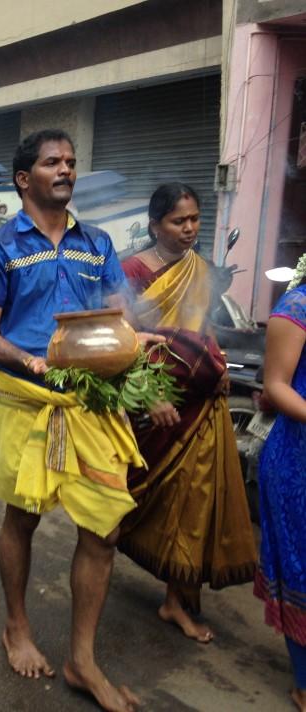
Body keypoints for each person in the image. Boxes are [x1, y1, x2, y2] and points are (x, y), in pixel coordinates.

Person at [0, 129, 150, 711]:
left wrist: (141, 344)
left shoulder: (96, 243)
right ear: (25, 179)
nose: (66, 170)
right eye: (53, 162)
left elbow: (121, 317)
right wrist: (26, 359)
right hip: (29, 399)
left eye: (71, 162)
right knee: (21, 518)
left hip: (91, 403)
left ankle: (82, 659)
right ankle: (16, 626)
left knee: (103, 527)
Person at [117, 183, 256, 643]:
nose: (190, 228)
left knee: (198, 498)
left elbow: (202, 326)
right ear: (156, 225)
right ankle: (103, 554)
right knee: (137, 496)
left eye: (195, 219)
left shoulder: (200, 270)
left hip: (202, 399)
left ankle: (178, 597)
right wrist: (148, 396)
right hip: (155, 401)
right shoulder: (132, 271)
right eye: (179, 221)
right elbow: (121, 340)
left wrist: (218, 363)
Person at [255, 271, 306, 711]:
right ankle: (304, 682)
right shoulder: (296, 308)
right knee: (301, 570)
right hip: (297, 463)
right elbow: (275, 385)